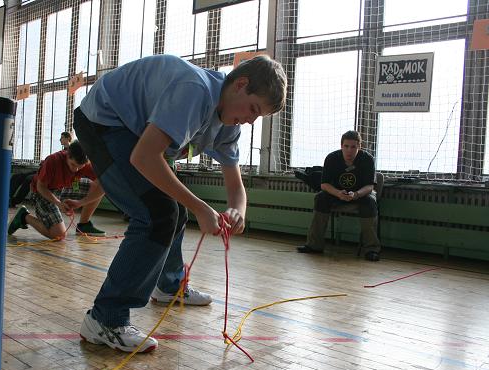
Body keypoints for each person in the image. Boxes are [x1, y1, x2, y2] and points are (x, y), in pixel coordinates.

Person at [73, 54, 287, 353]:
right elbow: (143, 157)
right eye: (253, 109)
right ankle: (105, 318)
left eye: (258, 116)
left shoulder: (228, 124)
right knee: (156, 214)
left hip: (135, 132)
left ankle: (169, 286)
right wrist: (203, 207)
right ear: (241, 84)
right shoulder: (194, 91)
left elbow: (235, 185)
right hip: (103, 120)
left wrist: (237, 211)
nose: (251, 120)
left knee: (175, 211)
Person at [297, 130, 381, 261]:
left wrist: (356, 194)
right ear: (341, 146)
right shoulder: (332, 158)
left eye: (353, 147)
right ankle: (314, 245)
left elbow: (370, 186)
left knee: (370, 203)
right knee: (320, 198)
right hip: (337, 193)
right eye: (346, 146)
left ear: (359, 146)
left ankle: (371, 249)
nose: (349, 150)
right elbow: (324, 185)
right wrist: (338, 193)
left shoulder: (367, 159)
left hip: (360, 194)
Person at [7, 140, 106, 239]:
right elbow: (40, 187)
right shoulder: (53, 161)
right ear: (67, 155)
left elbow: (103, 186)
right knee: (59, 235)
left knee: (99, 187)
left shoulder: (85, 161)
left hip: (64, 187)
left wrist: (80, 202)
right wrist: (58, 203)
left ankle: (84, 225)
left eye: (80, 167)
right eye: (73, 165)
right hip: (43, 192)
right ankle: (24, 216)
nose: (76, 170)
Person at [8, 132, 73, 208]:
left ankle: (15, 201)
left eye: (62, 137)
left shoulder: (71, 152)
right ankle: (7, 197)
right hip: (45, 169)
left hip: (52, 174)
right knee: (17, 176)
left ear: (68, 138)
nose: (60, 139)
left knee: (28, 179)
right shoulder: (62, 151)